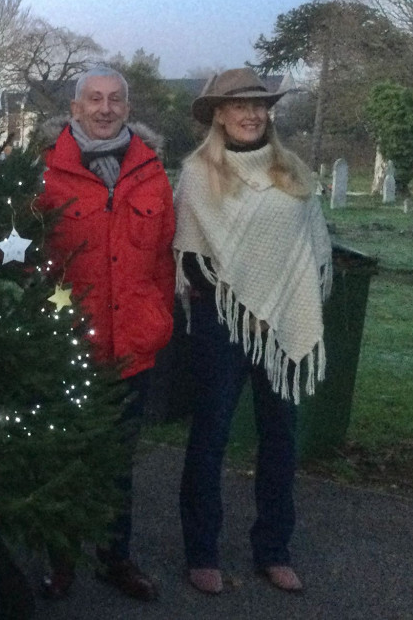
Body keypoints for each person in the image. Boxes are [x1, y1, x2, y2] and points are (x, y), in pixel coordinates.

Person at [174, 68, 332, 595]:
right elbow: (192, 256)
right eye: (239, 105)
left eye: (260, 105)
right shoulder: (198, 173)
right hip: (223, 322)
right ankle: (202, 551)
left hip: (283, 318)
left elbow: (309, 248)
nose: (251, 114)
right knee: (210, 437)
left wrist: (279, 304)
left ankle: (273, 549)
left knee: (281, 439)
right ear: (218, 113)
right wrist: (242, 303)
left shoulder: (293, 170)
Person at [37, 67, 176, 601]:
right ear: (74, 108)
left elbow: (162, 260)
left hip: (132, 347)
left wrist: (156, 318)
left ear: (127, 107)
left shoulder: (151, 173)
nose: (104, 108)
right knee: (63, 457)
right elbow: (27, 259)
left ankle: (115, 556)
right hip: (67, 343)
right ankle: (60, 557)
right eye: (93, 99)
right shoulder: (47, 172)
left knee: (119, 462)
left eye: (115, 99)